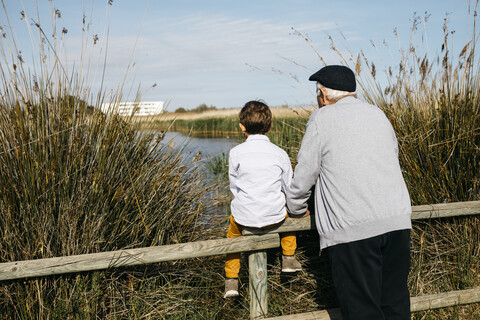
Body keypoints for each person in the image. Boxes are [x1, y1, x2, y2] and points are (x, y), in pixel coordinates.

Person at [286, 65, 412, 319]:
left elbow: (305, 173)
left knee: (362, 312)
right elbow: (392, 157)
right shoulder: (377, 114)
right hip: (397, 221)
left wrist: (296, 207)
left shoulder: (321, 119)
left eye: (317, 96)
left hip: (353, 228)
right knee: (395, 305)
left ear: (323, 95)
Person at [224, 100, 303, 299]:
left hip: (244, 219)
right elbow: (288, 187)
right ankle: (288, 258)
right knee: (289, 218)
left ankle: (231, 280)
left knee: (232, 237)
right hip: (274, 217)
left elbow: (234, 187)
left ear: (242, 126)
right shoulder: (280, 153)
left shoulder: (235, 153)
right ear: (270, 126)